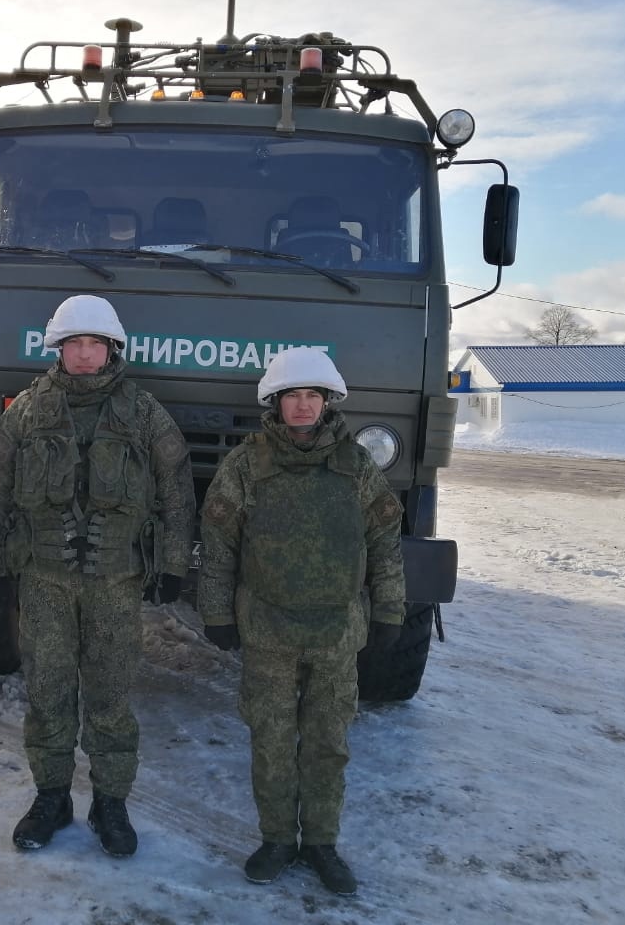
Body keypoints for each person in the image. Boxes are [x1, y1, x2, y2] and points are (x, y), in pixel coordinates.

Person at [0, 294, 194, 857]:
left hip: (115, 581)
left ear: (110, 350)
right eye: (74, 344)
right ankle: (51, 796)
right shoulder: (27, 409)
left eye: (93, 344)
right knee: (48, 691)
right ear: (59, 349)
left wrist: (172, 564)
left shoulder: (143, 412)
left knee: (109, 696)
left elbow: (176, 491)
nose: (83, 354)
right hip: (44, 580)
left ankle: (110, 802)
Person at [197, 345, 405, 895]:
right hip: (267, 631)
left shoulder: (357, 466)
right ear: (277, 402)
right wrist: (216, 613)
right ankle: (277, 841)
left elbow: (385, 542)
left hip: (336, 633)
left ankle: (320, 843)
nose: (304, 406)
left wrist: (389, 610)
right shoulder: (246, 463)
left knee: (326, 741)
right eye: (293, 397)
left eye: (313, 396)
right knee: (270, 737)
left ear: (328, 402)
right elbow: (218, 544)